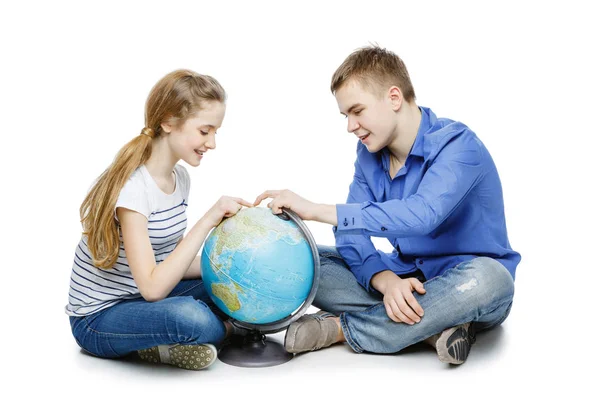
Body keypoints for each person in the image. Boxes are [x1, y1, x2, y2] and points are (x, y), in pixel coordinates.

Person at [254, 45, 520, 365]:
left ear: (394, 98)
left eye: (357, 111)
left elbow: (422, 215)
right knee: (306, 259)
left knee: (490, 278)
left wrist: (316, 209)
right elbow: (351, 236)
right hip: (406, 278)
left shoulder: (459, 146)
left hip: (470, 283)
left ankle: (342, 329)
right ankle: (435, 328)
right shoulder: (369, 156)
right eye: (345, 115)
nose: (350, 126)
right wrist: (384, 279)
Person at [66, 69, 252, 370]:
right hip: (99, 318)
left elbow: (172, 259)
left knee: (234, 283)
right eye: (205, 131)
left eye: (216, 132)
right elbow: (154, 288)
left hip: (142, 298)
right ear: (168, 122)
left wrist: (229, 266)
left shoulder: (180, 177)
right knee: (191, 317)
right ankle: (228, 331)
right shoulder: (134, 189)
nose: (213, 143)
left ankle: (160, 344)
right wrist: (208, 219)